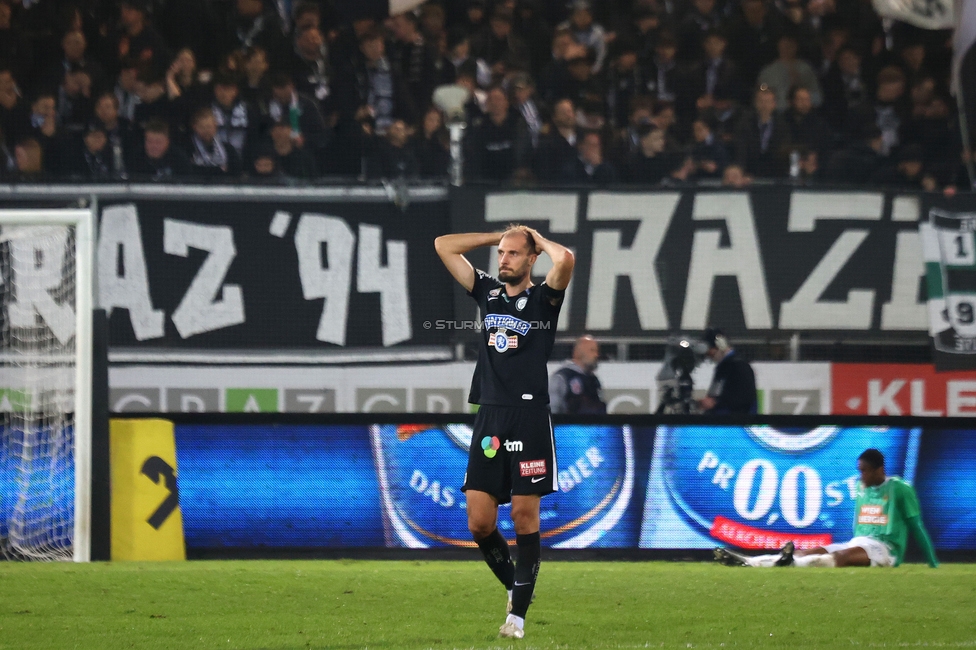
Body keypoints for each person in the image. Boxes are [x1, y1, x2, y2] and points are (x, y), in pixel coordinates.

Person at [433, 224, 575, 640]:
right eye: (502, 253)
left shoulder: (545, 298)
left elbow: (565, 259)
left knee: (522, 515)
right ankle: (517, 587)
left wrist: (536, 238)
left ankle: (517, 618)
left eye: (514, 253)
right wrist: (497, 235)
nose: (504, 259)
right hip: (491, 417)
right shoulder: (488, 292)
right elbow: (443, 244)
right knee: (479, 522)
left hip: (528, 418)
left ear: (532, 260)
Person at [715, 448, 939, 569]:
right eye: (860, 471)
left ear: (880, 469)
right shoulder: (863, 489)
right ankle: (751, 562)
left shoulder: (899, 488)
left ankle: (789, 566)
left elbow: (915, 526)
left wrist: (932, 562)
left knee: (841, 556)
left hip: (886, 549)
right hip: (860, 542)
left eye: (865, 471)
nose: (861, 476)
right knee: (812, 551)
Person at [698, 327, 756, 414]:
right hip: (723, 421)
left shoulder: (740, 366)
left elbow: (745, 398)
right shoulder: (723, 367)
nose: (709, 355)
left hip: (735, 422)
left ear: (720, 345)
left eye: (710, 350)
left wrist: (715, 403)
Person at [549, 335, 607, 414]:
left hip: (595, 425)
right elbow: (552, 410)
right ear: (578, 353)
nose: (596, 355)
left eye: (597, 351)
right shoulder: (562, 378)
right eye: (592, 351)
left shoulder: (594, 381)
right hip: (569, 425)